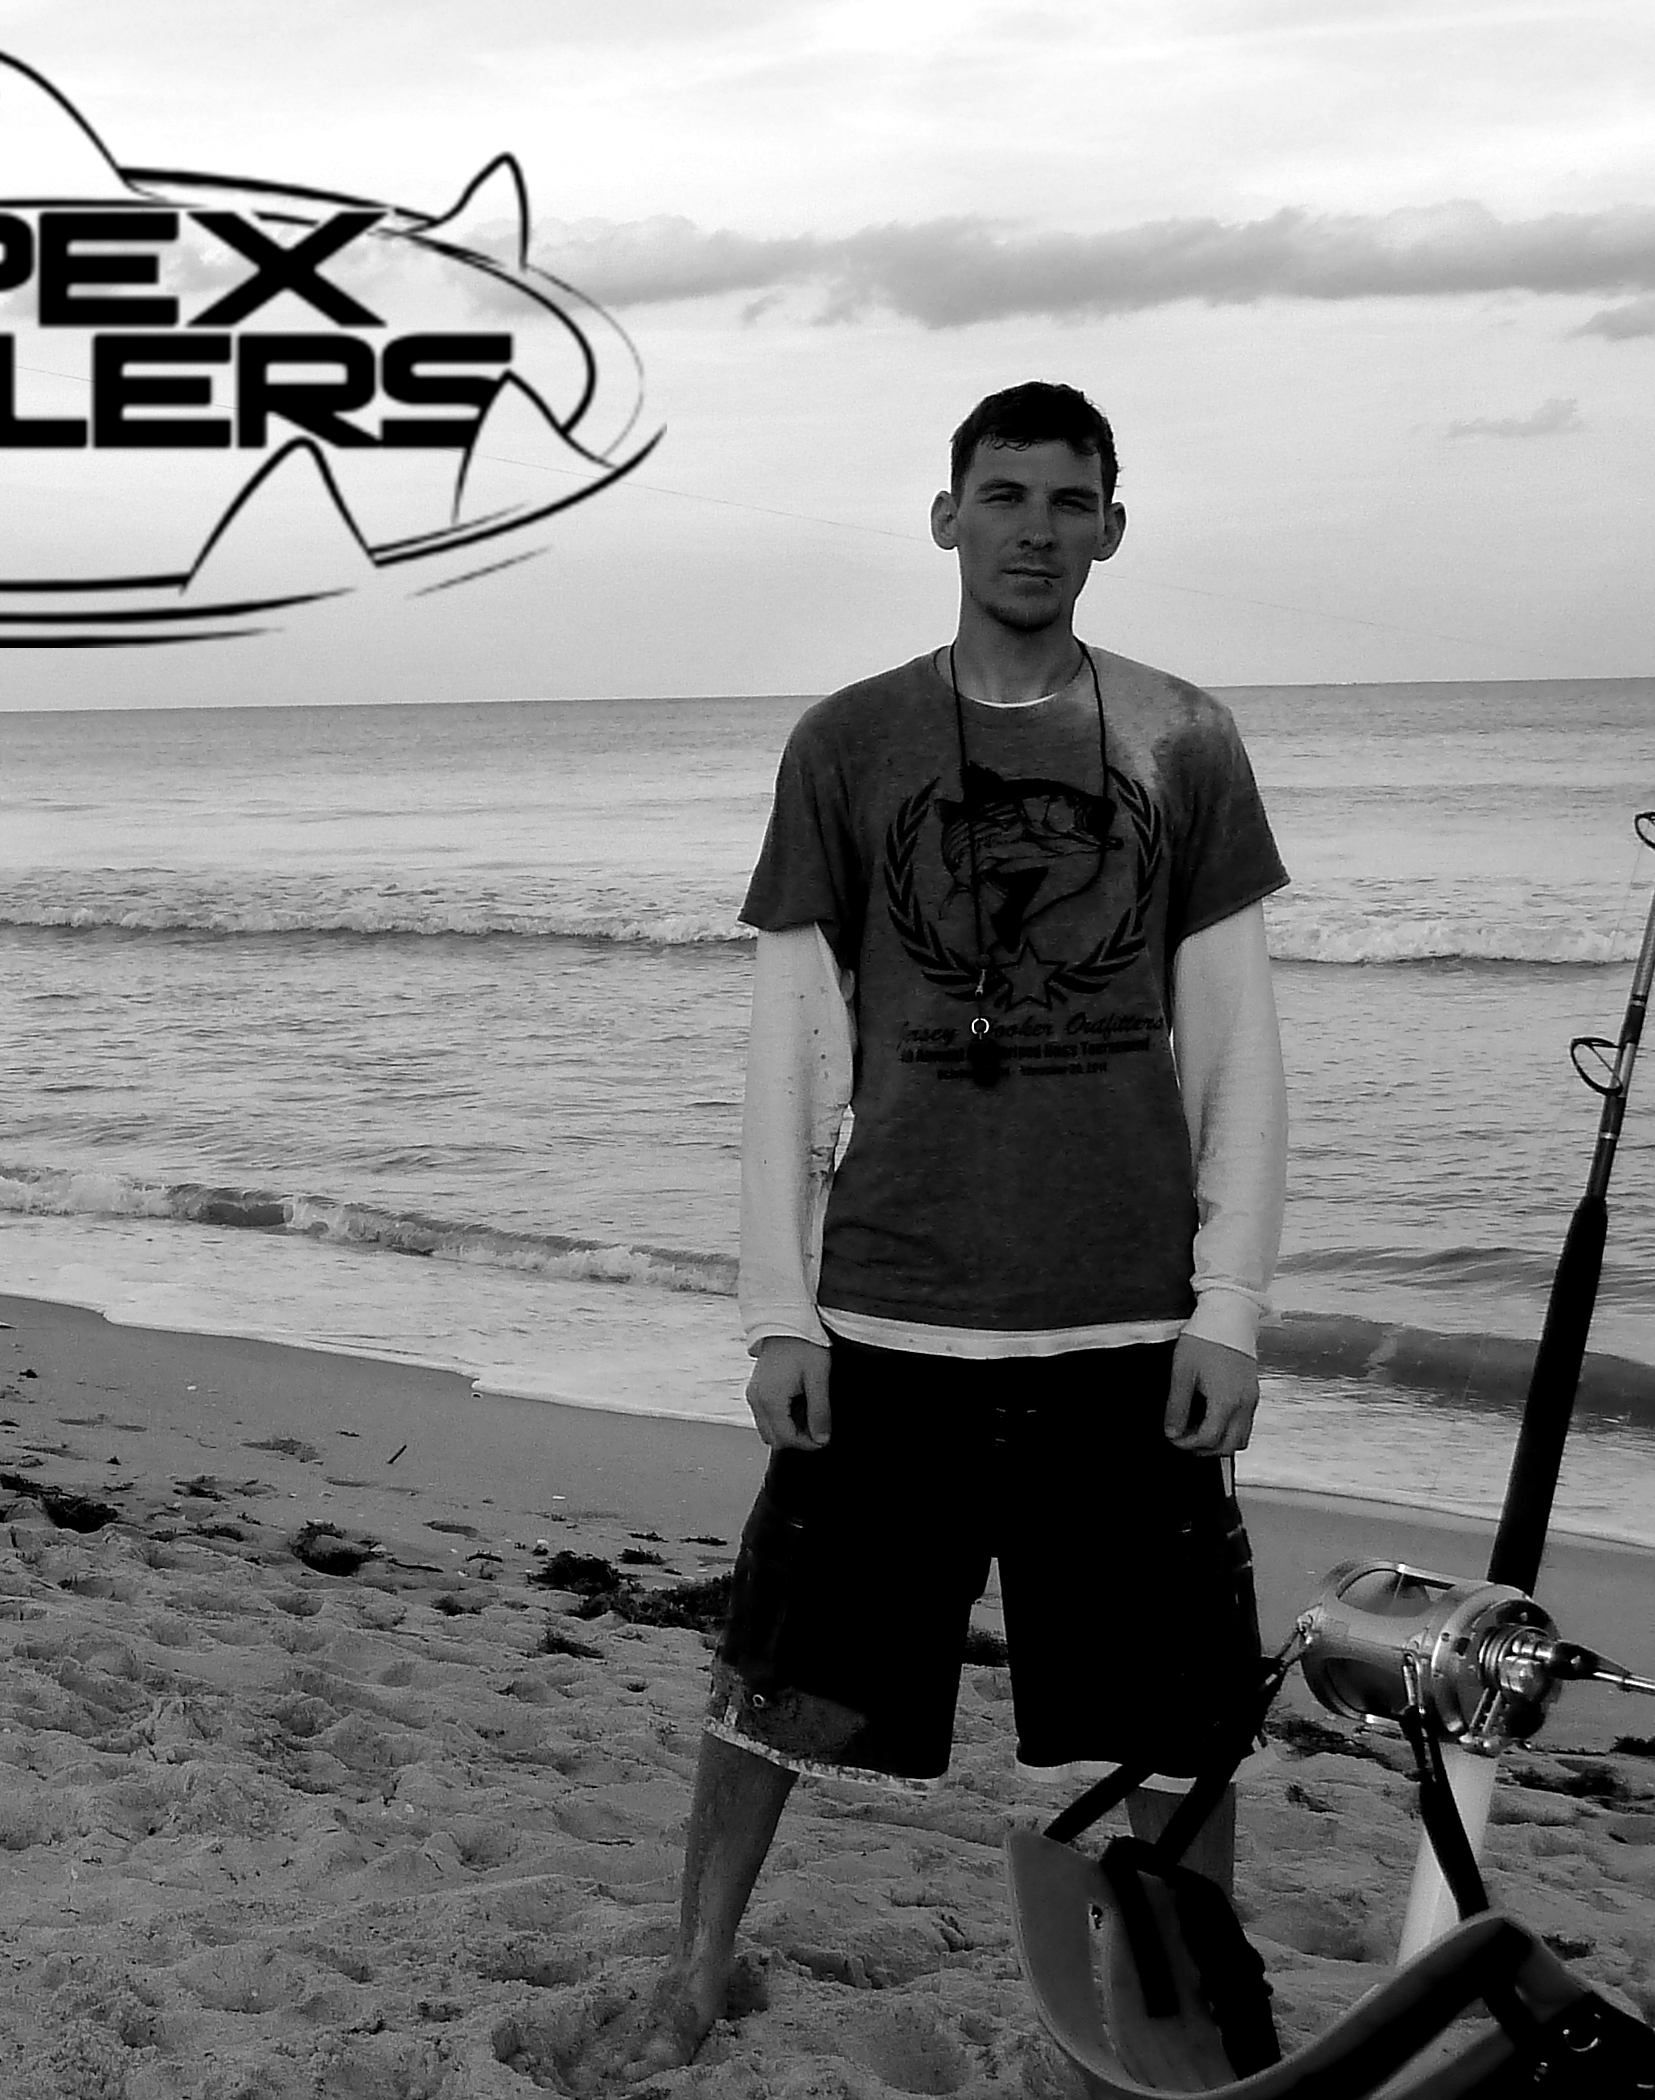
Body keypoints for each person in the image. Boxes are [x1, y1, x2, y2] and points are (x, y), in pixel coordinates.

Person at [595, 381, 1289, 2082]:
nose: (1035, 528)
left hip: (1124, 1331)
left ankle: (1176, 2025)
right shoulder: (848, 744)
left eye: (1069, 499)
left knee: (1180, 1721)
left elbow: (1238, 1048)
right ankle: (695, 1971)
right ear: (946, 516)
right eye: (1004, 494)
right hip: (891, 1322)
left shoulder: (1184, 739)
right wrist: (779, 1310)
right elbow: (788, 1046)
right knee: (778, 1686)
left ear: (1112, 526)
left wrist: (1230, 1309)